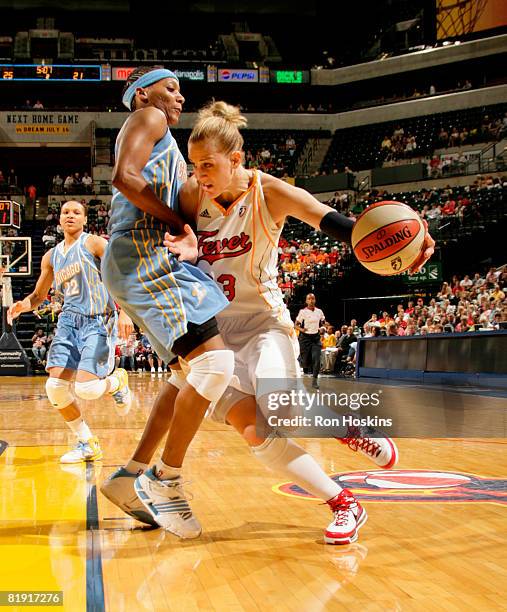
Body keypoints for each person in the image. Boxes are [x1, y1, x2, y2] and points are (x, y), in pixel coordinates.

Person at [101, 101, 434, 545]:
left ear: (235, 159)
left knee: (284, 408)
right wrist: (185, 246)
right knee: (256, 430)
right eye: (195, 164)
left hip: (262, 323)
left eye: (208, 165)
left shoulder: (269, 191)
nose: (199, 173)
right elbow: (169, 239)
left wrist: (406, 243)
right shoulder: (188, 194)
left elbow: (341, 225)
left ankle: (350, 430)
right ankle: (344, 503)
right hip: (212, 333)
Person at [100, 67, 235, 538]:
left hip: (138, 256)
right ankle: (165, 481)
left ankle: (131, 476)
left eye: (180, 89)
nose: (179, 96)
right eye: (170, 87)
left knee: (183, 377)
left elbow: (175, 199)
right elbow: (125, 177)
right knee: (215, 364)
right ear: (143, 93)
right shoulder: (149, 119)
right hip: (140, 251)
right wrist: (178, 224)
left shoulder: (170, 146)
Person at [8, 200, 134, 464]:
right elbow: (40, 294)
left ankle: (116, 382)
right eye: (66, 212)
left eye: (77, 212)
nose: (70, 216)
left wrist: (125, 311)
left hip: (98, 320)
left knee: (87, 389)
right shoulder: (51, 256)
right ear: (59, 219)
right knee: (54, 387)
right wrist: (24, 305)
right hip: (68, 322)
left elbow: (123, 274)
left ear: (85, 219)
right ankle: (87, 442)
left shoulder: (95, 244)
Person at [295, 293, 325, 388]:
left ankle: (314, 381)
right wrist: (302, 329)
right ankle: (301, 359)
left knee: (317, 359)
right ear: (306, 301)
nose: (311, 300)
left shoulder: (319, 311)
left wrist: (323, 327)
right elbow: (296, 325)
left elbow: (323, 322)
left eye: (313, 298)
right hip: (305, 338)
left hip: (315, 338)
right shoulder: (303, 312)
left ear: (315, 300)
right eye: (309, 299)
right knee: (305, 363)